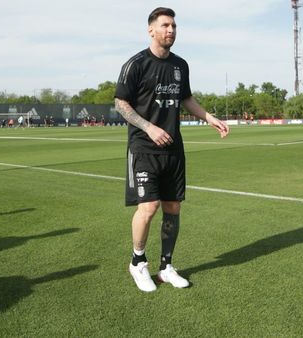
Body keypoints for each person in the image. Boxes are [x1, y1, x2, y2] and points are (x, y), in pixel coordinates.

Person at [114, 7, 230, 292]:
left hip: (174, 150)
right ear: (151, 29)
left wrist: (209, 117)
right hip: (144, 148)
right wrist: (149, 127)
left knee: (173, 207)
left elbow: (186, 98)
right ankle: (137, 262)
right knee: (149, 207)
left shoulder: (180, 65)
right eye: (165, 25)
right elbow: (121, 104)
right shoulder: (136, 64)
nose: (171, 31)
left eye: (174, 26)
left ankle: (166, 267)